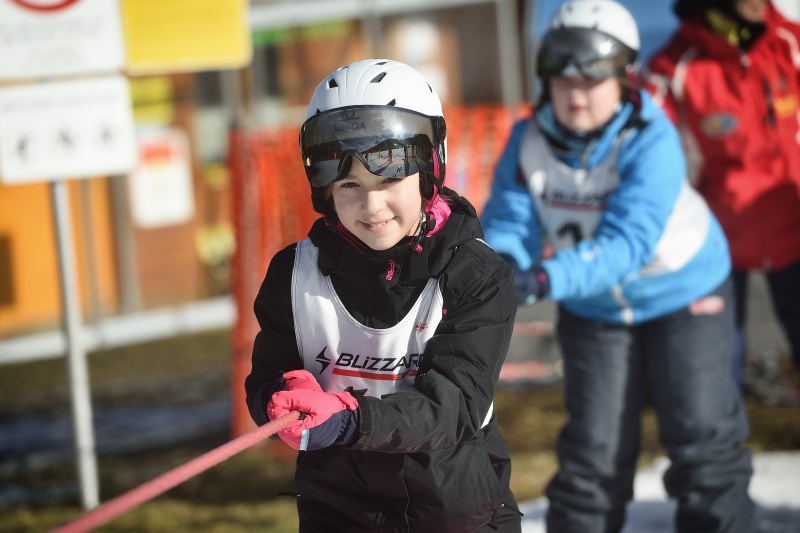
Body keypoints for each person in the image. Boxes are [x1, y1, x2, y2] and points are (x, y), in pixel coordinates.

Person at [480, 1, 754, 531]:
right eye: (561, 79)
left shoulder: (651, 138)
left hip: (683, 293)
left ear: (625, 77)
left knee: (701, 438)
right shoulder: (528, 139)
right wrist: (507, 264)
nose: (576, 93)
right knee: (593, 451)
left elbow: (627, 245)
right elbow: (510, 220)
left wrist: (541, 278)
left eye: (593, 78)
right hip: (596, 307)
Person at [244, 59, 522, 532]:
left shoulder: (475, 275)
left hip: (455, 511)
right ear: (326, 190)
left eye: (390, 181)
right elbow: (265, 378)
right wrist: (283, 395)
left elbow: (453, 405)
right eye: (350, 185)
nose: (371, 206)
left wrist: (351, 420)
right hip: (338, 511)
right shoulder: (294, 274)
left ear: (429, 171)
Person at [643, 0, 800, 401]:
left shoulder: (789, 43)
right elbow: (638, 137)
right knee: (715, 372)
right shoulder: (674, 66)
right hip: (718, 240)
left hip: (794, 224)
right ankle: (724, 459)